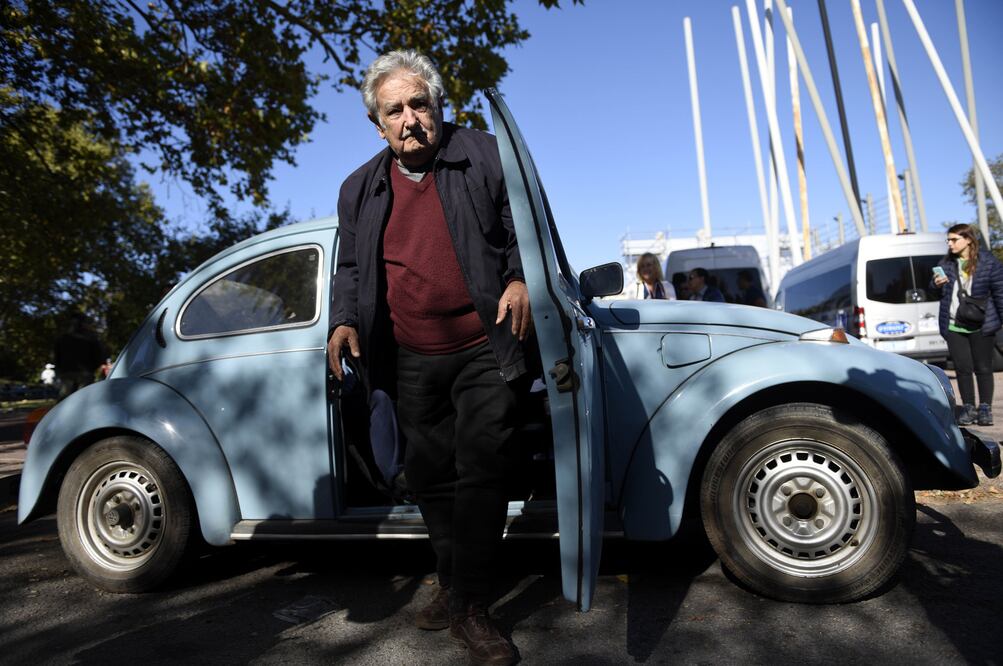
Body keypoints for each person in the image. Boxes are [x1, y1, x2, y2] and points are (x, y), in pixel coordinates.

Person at [327, 50, 532, 665]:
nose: (411, 118)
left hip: (484, 344)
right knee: (432, 480)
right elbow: (353, 267)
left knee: (482, 468)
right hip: (410, 354)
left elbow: (526, 227)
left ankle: (470, 607)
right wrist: (342, 319)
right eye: (396, 110)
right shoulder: (357, 189)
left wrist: (521, 280)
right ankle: (455, 582)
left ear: (440, 106)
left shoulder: (486, 154)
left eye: (420, 103)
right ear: (378, 124)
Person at [932, 223, 1003, 426]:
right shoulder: (946, 264)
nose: (950, 243)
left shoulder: (989, 263)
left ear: (969, 239)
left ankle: (985, 409)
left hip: (982, 324)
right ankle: (969, 408)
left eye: (954, 239)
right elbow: (935, 292)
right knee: (963, 369)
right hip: (954, 325)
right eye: (948, 240)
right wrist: (935, 285)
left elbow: (1000, 293)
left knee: (983, 368)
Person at [54, 313, 106, 400]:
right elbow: (99, 356)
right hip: (84, 373)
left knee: (65, 398)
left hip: (68, 372)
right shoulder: (91, 338)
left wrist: (60, 370)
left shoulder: (63, 338)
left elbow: (57, 357)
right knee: (83, 399)